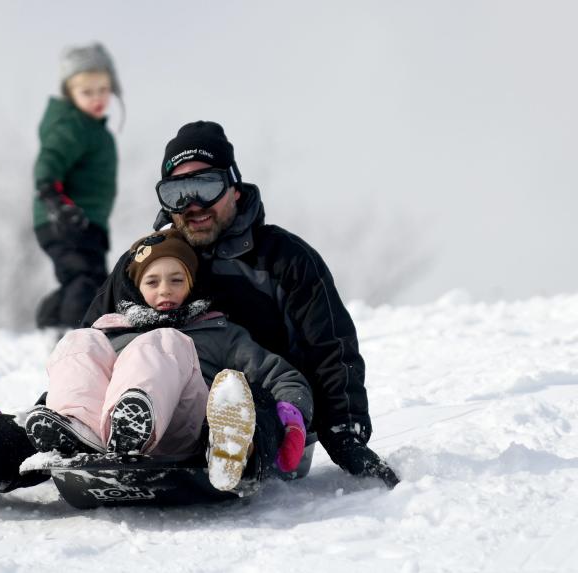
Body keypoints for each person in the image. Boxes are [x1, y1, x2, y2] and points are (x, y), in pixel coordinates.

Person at [82, 121, 400, 488]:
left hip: (271, 416)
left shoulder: (283, 259)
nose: (193, 204)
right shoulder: (145, 263)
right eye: (178, 192)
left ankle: (231, 446)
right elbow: (95, 343)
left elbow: (330, 348)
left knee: (246, 401)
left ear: (233, 188)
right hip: (155, 415)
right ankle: (7, 449)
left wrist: (345, 433)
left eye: (206, 185)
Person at [23, 228, 313, 491]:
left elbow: (280, 374)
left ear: (191, 284)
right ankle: (79, 431)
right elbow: (84, 381)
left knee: (163, 340)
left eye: (176, 280)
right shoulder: (111, 333)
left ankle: (208, 440)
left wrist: (291, 414)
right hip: (104, 439)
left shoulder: (219, 332)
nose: (165, 290)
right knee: (80, 340)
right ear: (137, 287)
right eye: (152, 281)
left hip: (185, 431)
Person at [32, 42, 120, 329]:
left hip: (89, 223)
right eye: (86, 92)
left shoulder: (95, 130)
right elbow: (49, 161)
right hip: (64, 219)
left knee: (95, 281)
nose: (97, 98)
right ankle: (72, 335)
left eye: (102, 90)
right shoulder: (72, 127)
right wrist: (54, 199)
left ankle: (50, 318)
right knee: (81, 278)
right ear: (69, 93)